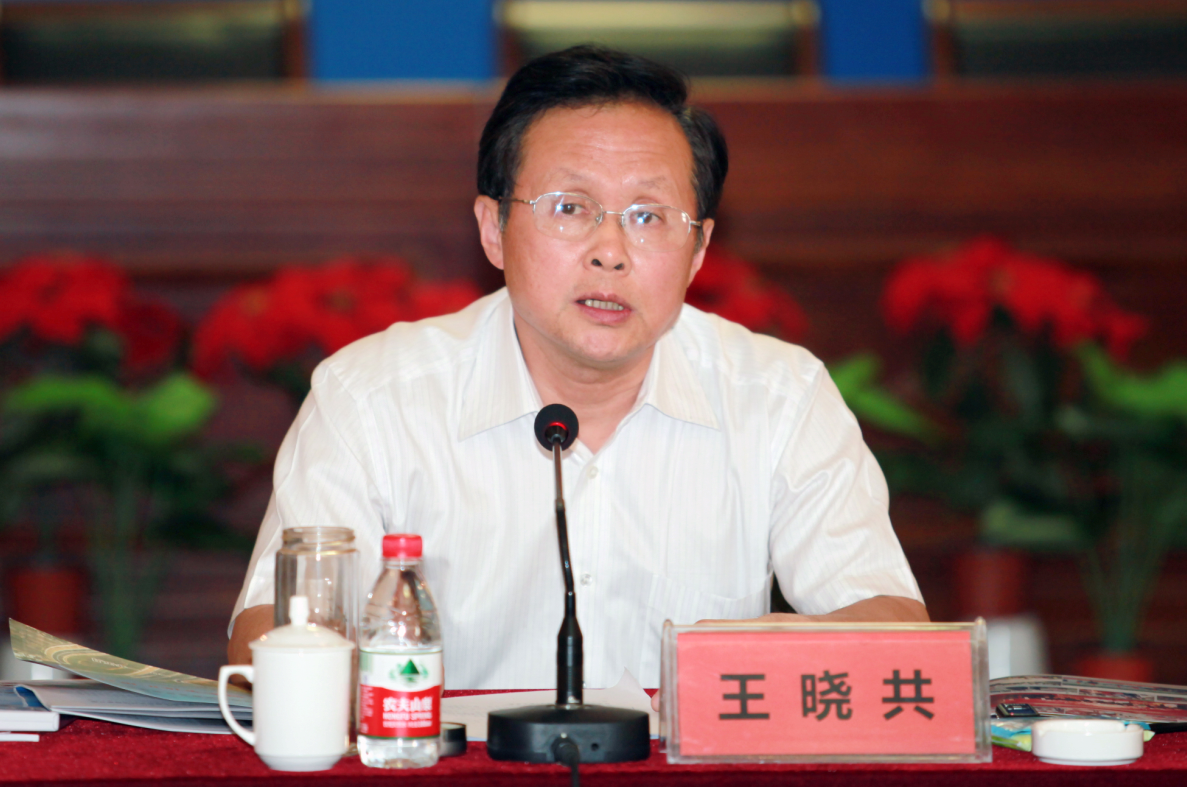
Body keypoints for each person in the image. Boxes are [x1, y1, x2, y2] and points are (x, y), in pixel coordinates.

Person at [228, 45, 927, 689]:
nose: (610, 251)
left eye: (649, 217)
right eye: (569, 208)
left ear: (699, 250)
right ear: (493, 229)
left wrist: (747, 656)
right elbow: (268, 636)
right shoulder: (372, 397)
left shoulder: (779, 396)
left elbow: (897, 628)